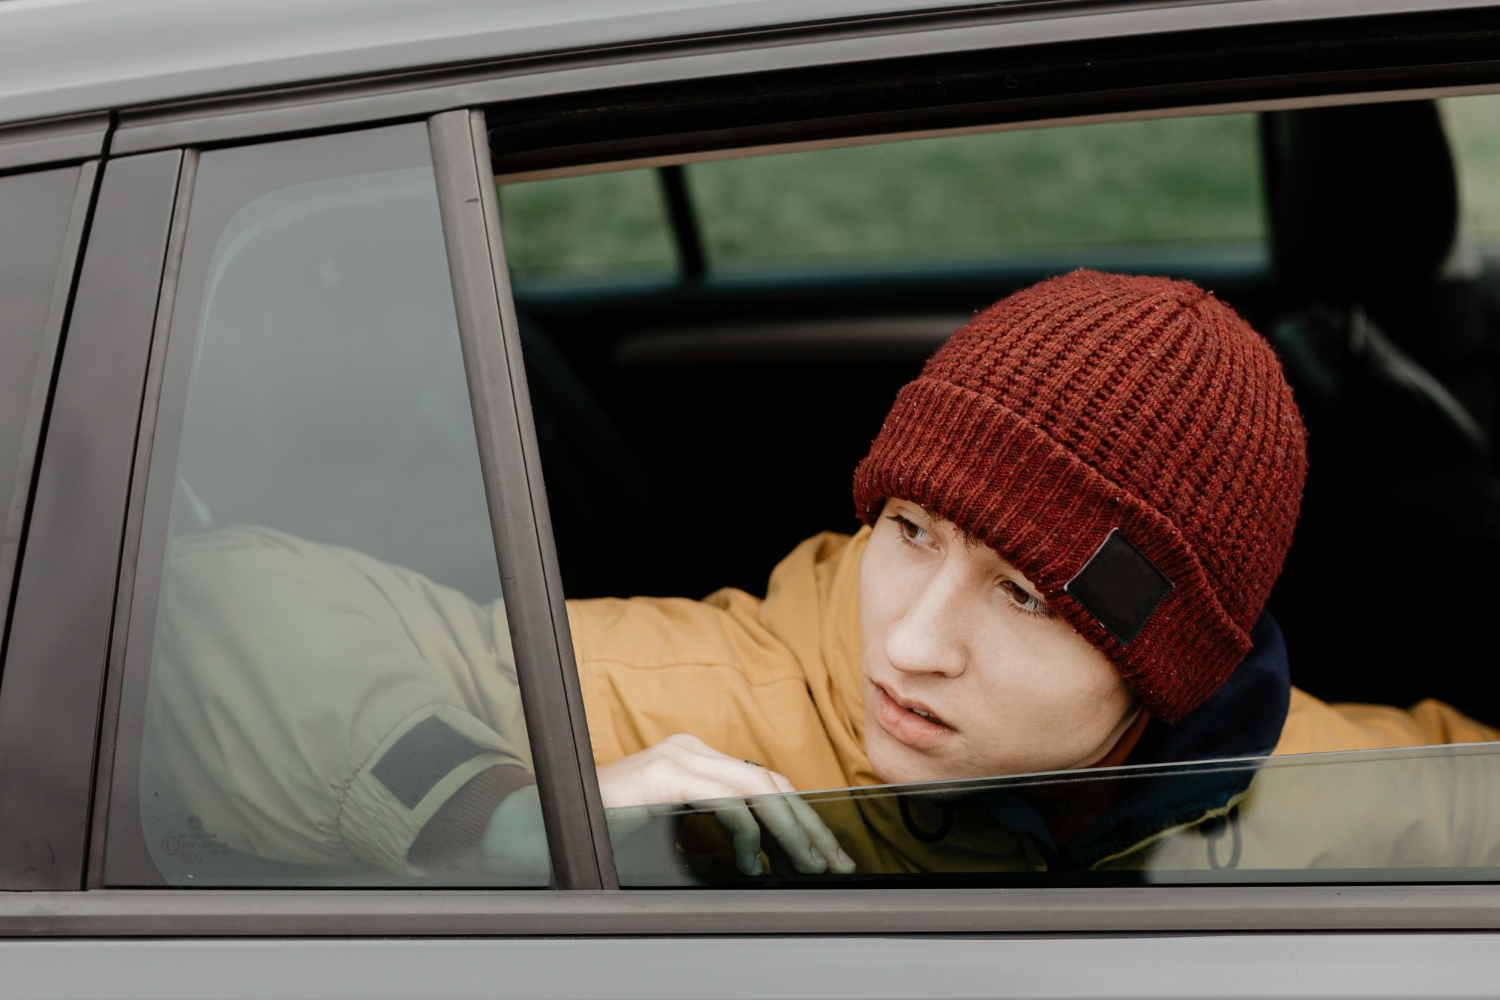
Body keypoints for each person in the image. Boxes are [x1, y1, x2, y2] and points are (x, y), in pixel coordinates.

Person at [140, 271, 1500, 882]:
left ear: (1169, 671)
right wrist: (495, 812)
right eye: (911, 531)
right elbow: (188, 607)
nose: (908, 643)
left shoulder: (1330, 793)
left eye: (1023, 596)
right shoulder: (682, 711)